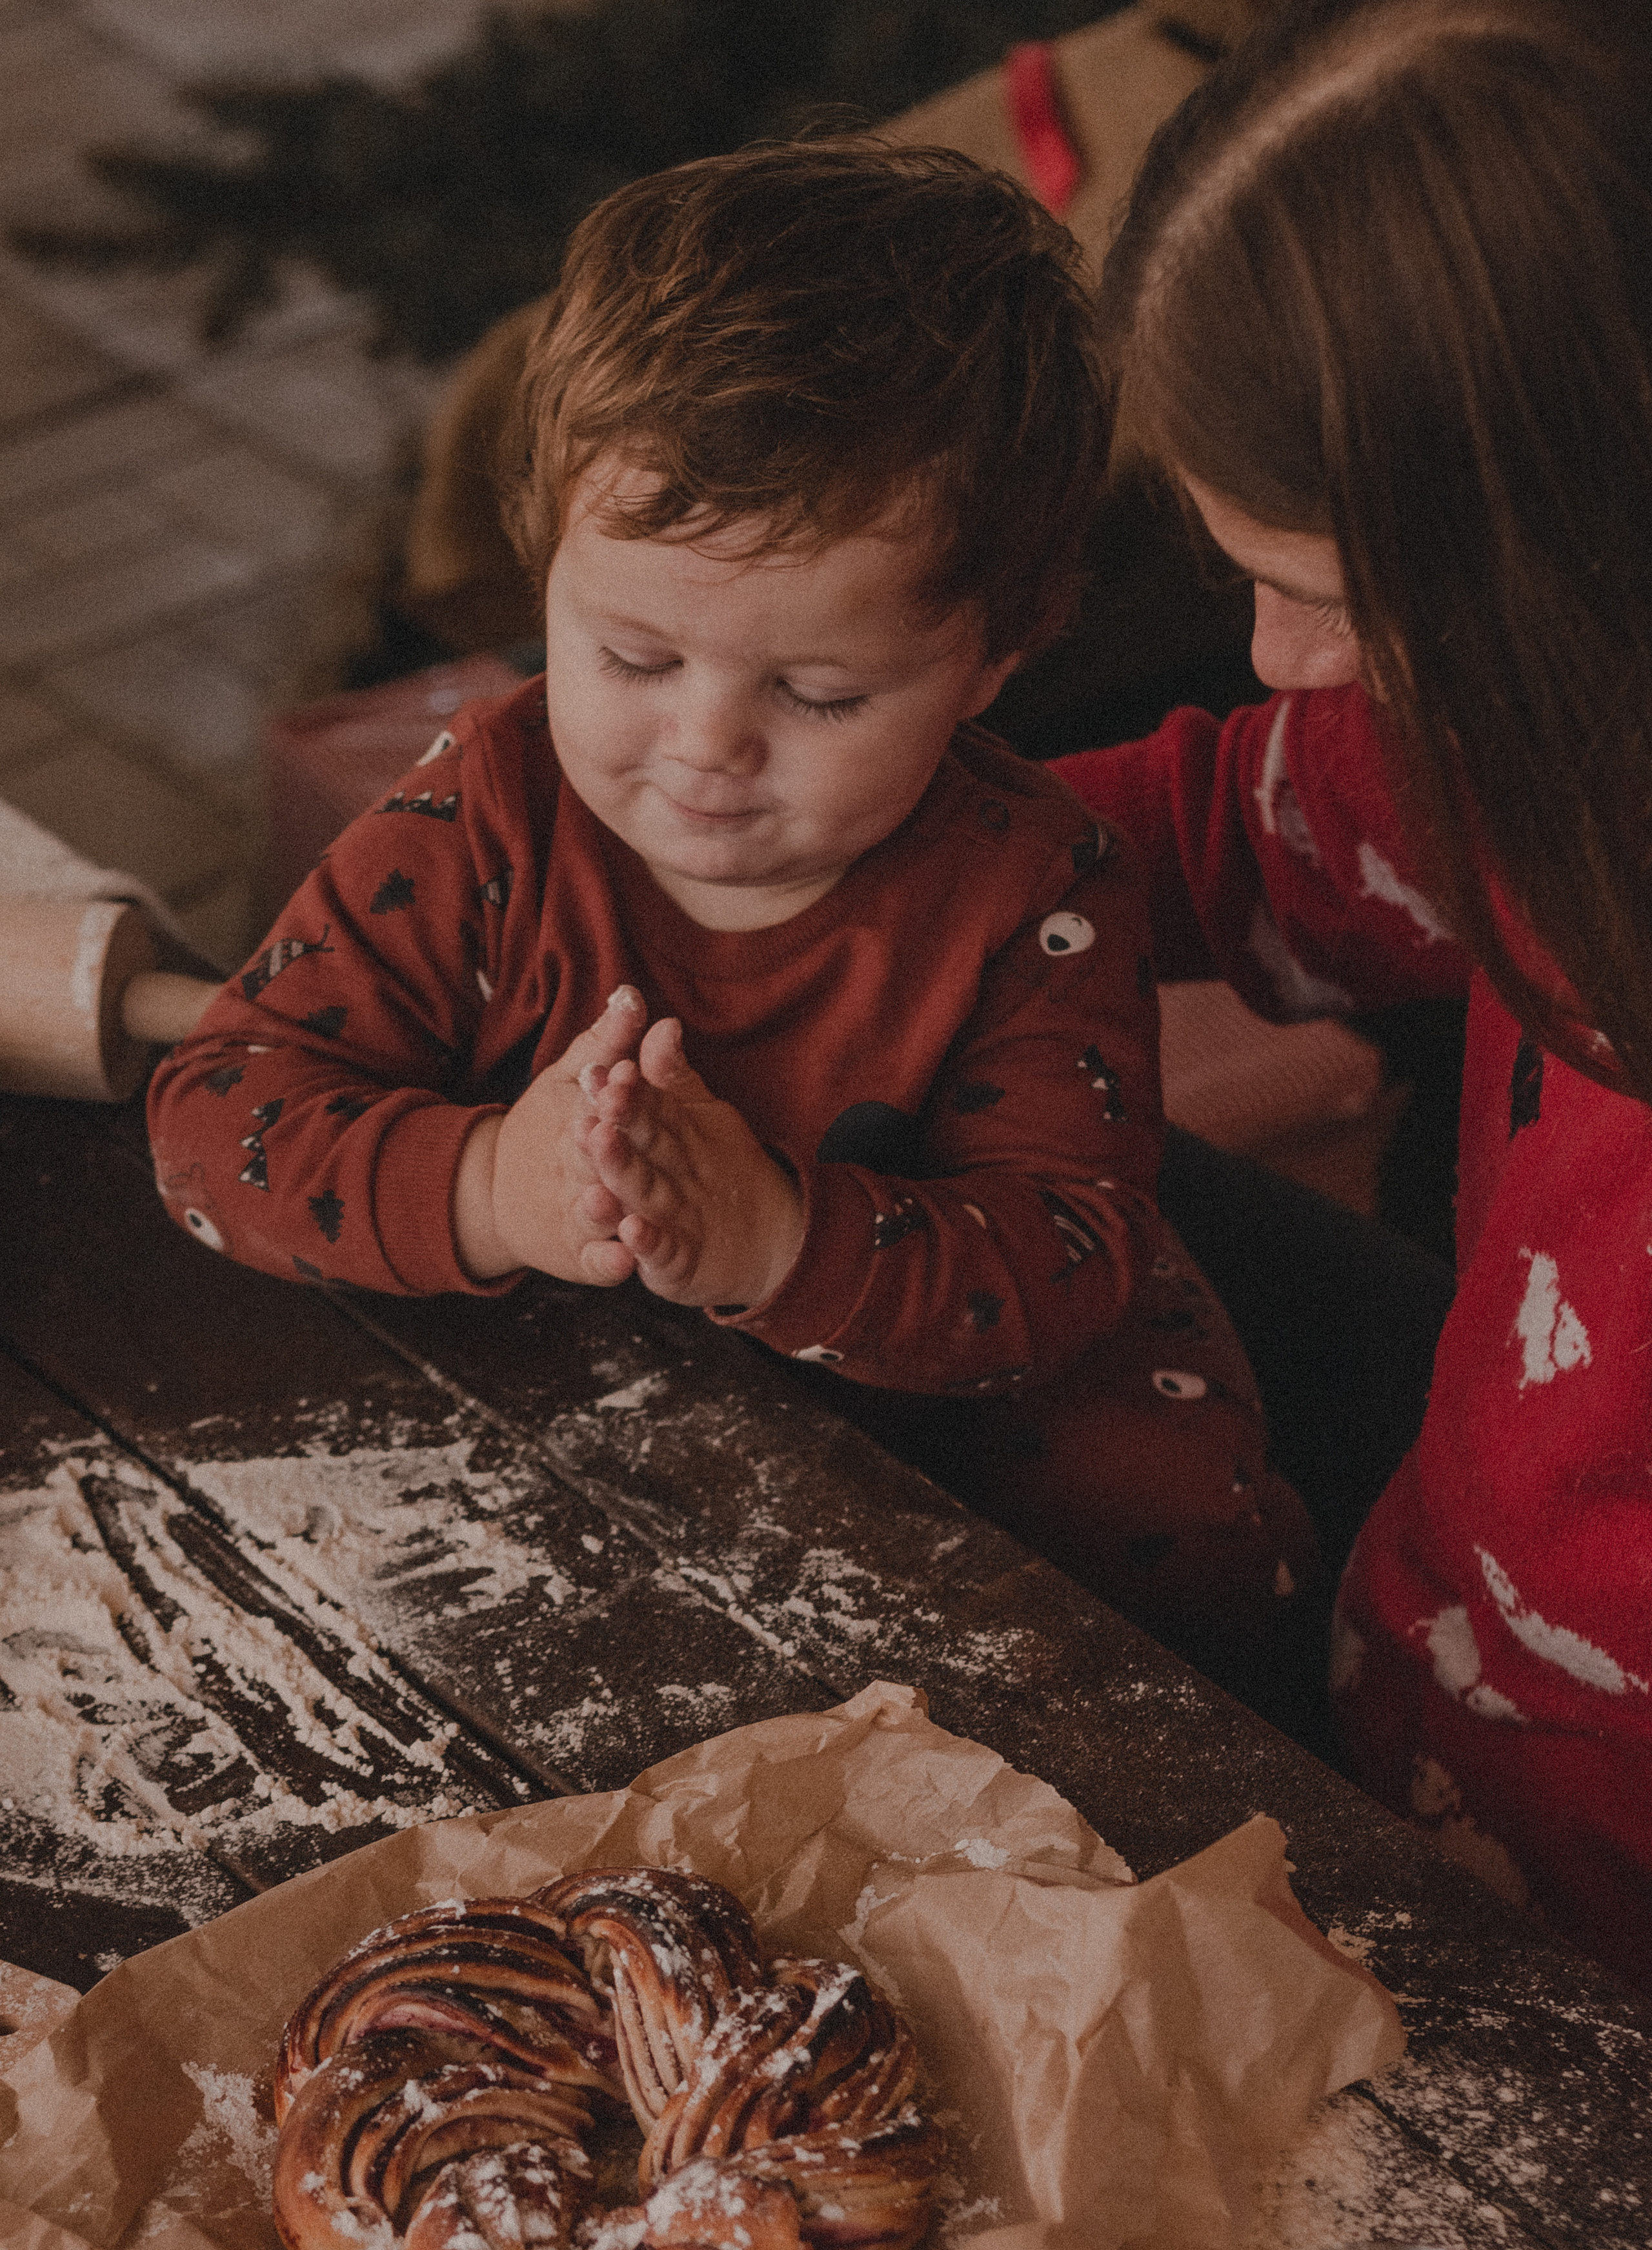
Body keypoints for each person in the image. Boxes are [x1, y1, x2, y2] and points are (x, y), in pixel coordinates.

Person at [146, 137, 1319, 1704]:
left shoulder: (1035, 891)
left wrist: (771, 1234)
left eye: (818, 693)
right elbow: (216, 1119)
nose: (704, 748)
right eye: (633, 659)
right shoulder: (485, 812)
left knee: (1164, 1514)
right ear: (545, 564)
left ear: (996, 657)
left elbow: (1063, 1262)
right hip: (575, 1398)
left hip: (949, 1420)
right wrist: (491, 1186)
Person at [1051, 0, 1652, 1985]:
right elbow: (1249, 829)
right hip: (1419, 1709)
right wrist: (857, 843)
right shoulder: (1540, 732)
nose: (1276, 656)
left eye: (1327, 592)